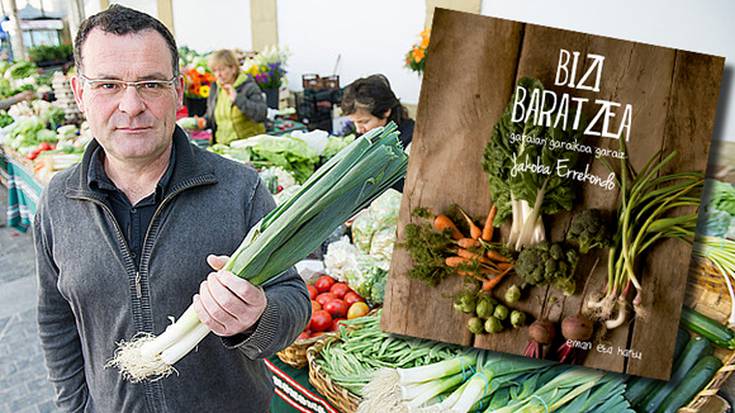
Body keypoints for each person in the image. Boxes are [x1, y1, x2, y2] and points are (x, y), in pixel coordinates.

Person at [34, 5, 310, 412]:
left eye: (150, 84)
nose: (131, 105)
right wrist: (75, 407)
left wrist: (258, 316)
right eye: (108, 84)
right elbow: (56, 321)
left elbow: (294, 301)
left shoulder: (239, 189)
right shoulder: (58, 201)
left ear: (178, 91)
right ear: (80, 92)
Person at [340, 74, 415, 191]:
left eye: (364, 121)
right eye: (354, 122)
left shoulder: (411, 139)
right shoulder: (365, 134)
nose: (359, 129)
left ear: (385, 111)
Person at [200, 49, 268, 144]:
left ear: (233, 69)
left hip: (245, 145)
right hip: (222, 146)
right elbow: (212, 115)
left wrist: (237, 98)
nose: (218, 75)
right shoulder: (216, 88)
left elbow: (261, 114)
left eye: (222, 70)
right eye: (215, 71)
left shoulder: (248, 87)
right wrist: (203, 121)